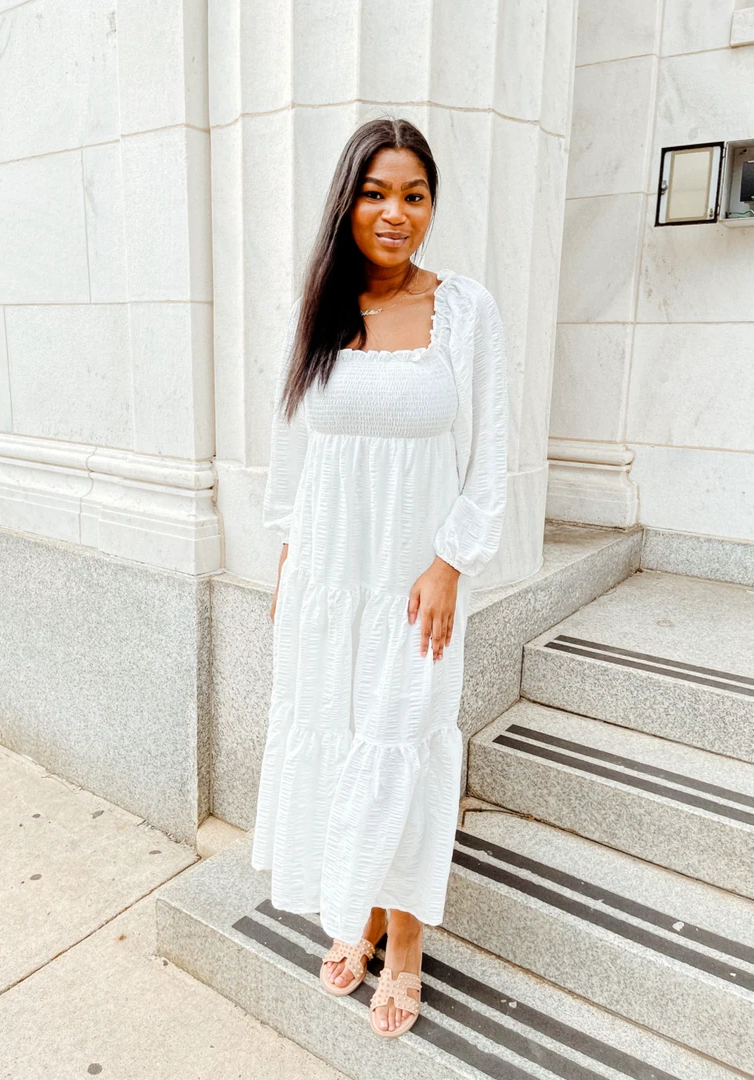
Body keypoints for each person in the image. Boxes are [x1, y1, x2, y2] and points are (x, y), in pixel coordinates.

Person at [250, 117, 508, 1038]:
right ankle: (352, 910)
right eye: (375, 193)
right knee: (335, 739)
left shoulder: (465, 311)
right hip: (325, 583)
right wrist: (288, 561)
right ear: (346, 203)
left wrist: (449, 562)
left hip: (413, 587)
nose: (395, 213)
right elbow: (292, 455)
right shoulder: (318, 307)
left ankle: (403, 942)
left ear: (431, 206)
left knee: (400, 743)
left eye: (413, 195)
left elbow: (491, 454)